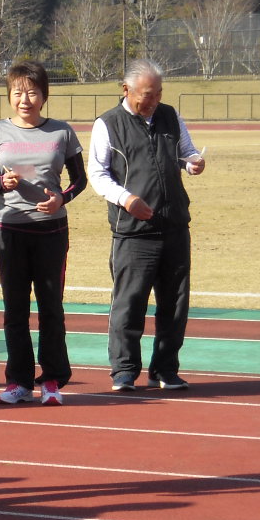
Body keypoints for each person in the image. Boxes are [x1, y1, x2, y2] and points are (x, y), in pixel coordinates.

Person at [88, 58, 206, 392]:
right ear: (126, 90)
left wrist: (193, 163)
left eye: (157, 94)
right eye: (147, 94)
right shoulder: (108, 124)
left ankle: (165, 369)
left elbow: (186, 151)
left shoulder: (169, 115)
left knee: (175, 303)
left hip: (174, 226)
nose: (153, 101)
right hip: (133, 232)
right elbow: (97, 173)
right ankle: (124, 370)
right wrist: (126, 199)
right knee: (129, 302)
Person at [0, 61, 87, 407]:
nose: (25, 99)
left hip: (52, 230)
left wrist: (62, 198)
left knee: (51, 307)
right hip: (10, 230)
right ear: (9, 95)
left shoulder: (62, 132)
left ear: (44, 95)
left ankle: (52, 379)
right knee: (15, 309)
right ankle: (19, 381)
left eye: (32, 91)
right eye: (17, 92)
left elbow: (80, 180)